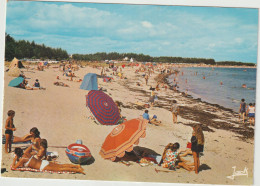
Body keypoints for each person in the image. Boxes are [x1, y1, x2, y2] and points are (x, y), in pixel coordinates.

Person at [12, 147, 85, 174]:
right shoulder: (26, 153)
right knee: (61, 165)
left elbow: (14, 167)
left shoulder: (22, 160)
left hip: (42, 166)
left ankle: (78, 170)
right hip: (44, 162)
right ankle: (77, 166)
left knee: (60, 169)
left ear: (17, 154)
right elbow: (31, 146)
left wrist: (14, 159)